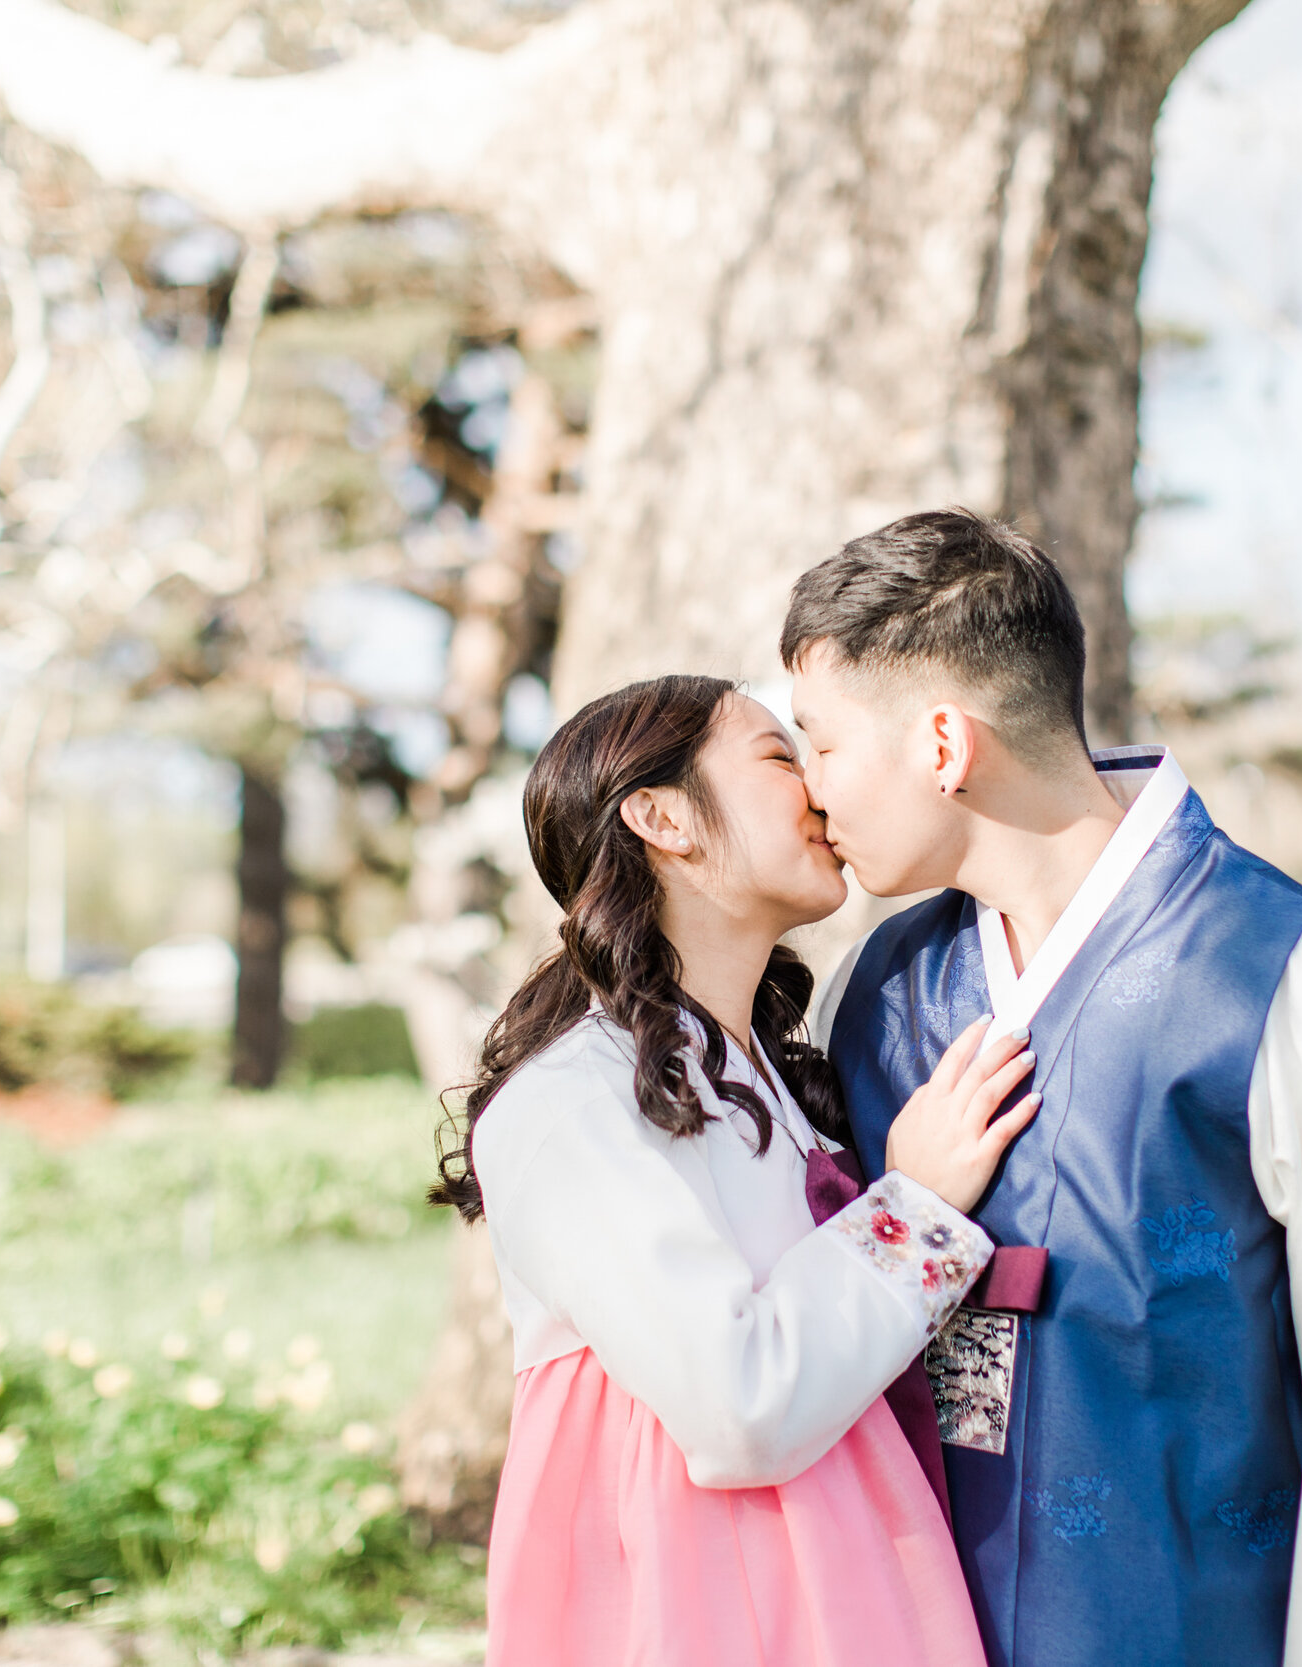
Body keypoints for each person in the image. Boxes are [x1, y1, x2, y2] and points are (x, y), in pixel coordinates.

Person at [785, 511, 1302, 1667]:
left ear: (943, 744)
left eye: (822, 742)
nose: (808, 791)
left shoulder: (1294, 973)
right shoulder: (874, 986)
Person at [434, 673, 1041, 1667]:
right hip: (712, 1600)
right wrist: (916, 1206)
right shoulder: (568, 1105)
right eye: (777, 755)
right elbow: (737, 1405)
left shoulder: (781, 1076)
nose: (817, 789)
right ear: (662, 817)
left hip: (862, 1575)